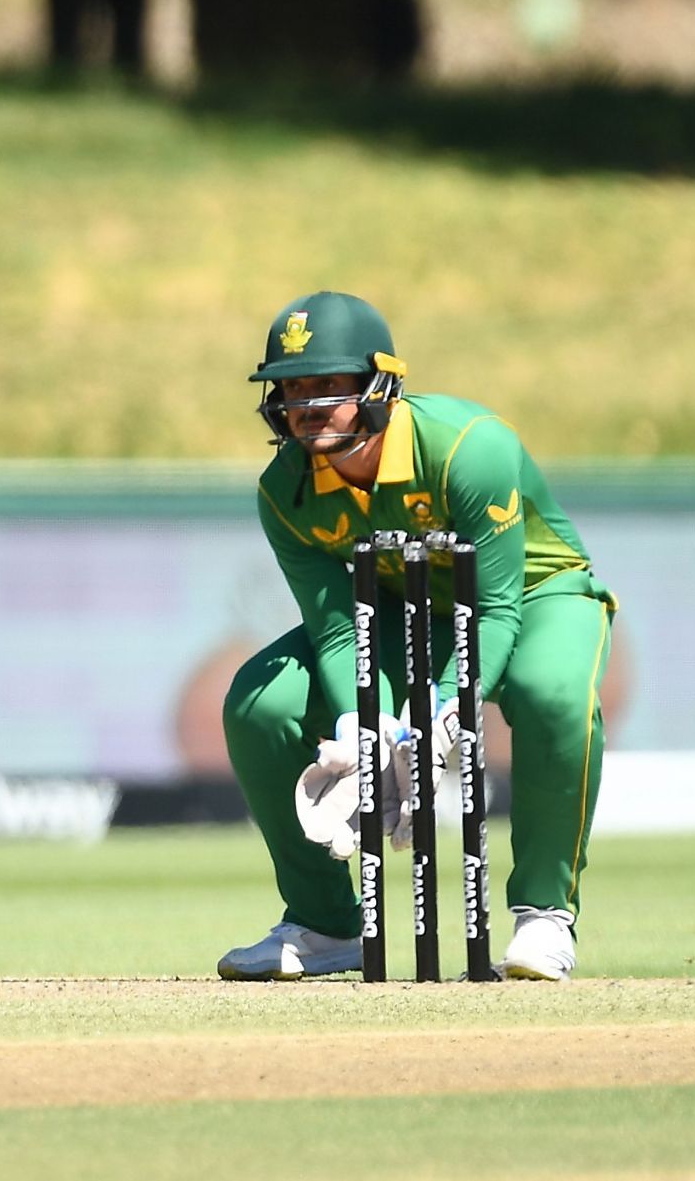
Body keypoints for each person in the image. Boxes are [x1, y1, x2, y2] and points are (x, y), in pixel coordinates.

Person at [218, 292, 615, 982]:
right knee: (260, 702)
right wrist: (359, 725)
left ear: (380, 384)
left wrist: (436, 711)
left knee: (552, 693)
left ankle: (546, 917)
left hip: (536, 593)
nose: (305, 405)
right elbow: (340, 628)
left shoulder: (469, 447)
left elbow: (494, 609)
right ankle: (324, 924)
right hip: (406, 611)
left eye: (327, 386)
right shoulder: (285, 491)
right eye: (292, 387)